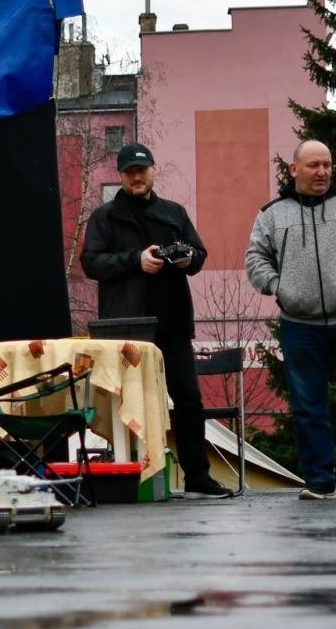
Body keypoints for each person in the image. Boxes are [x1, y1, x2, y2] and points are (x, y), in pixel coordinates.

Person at [83, 143, 233, 498]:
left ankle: (198, 478)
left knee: (189, 400)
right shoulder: (104, 217)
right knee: (126, 404)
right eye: (130, 171)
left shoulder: (173, 212)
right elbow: (90, 263)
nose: (137, 176)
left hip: (172, 323)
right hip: (127, 328)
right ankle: (128, 479)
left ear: (153, 170)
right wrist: (136, 260)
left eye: (142, 169)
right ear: (120, 175)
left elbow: (198, 255)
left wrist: (185, 260)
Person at [246, 139, 336, 500]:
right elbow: (255, 259)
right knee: (309, 403)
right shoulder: (272, 214)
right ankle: (319, 481)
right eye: (314, 165)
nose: (323, 172)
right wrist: (280, 287)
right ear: (295, 169)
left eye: (327, 164)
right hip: (299, 325)